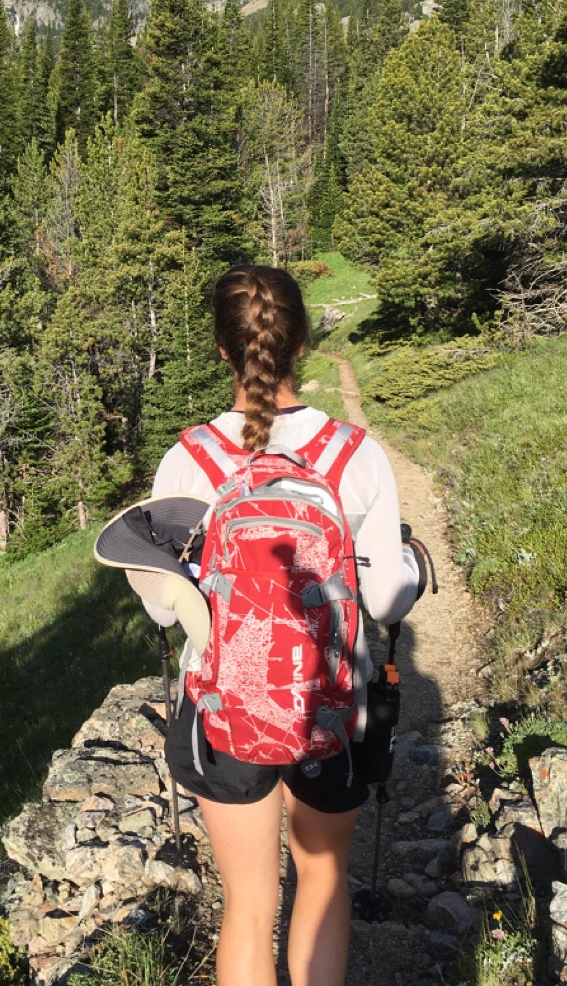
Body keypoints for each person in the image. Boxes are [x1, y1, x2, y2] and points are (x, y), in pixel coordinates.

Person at [142, 264, 420, 986]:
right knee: (322, 888)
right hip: (336, 706)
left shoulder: (189, 459)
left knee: (248, 903)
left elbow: (160, 604)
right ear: (302, 344)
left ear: (222, 352)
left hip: (222, 712)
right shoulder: (355, 458)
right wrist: (415, 565)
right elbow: (387, 600)